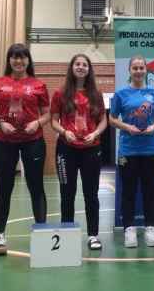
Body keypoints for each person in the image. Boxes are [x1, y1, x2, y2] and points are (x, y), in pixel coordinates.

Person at [0, 43, 49, 255]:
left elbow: (48, 114)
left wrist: (37, 123)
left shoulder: (39, 85)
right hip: (4, 142)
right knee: (4, 189)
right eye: (14, 57)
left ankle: (41, 233)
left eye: (22, 57)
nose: (18, 61)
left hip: (33, 141)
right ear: (9, 60)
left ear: (28, 60)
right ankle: (0, 235)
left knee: (36, 187)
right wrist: (1, 124)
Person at [50, 54, 107, 250]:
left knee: (91, 194)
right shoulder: (60, 93)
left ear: (89, 69)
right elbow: (53, 121)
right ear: (71, 67)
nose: (81, 67)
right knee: (67, 193)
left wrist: (96, 133)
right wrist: (65, 132)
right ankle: (67, 233)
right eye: (77, 64)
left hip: (91, 149)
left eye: (84, 64)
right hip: (66, 150)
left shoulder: (96, 94)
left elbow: (103, 120)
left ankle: (93, 235)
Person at [109, 55, 154, 248]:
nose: (139, 71)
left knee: (149, 191)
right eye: (135, 68)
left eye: (141, 68)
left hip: (150, 149)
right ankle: (129, 229)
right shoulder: (121, 94)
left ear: (146, 70)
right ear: (130, 71)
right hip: (128, 151)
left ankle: (150, 228)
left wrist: (153, 127)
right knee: (128, 192)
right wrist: (127, 127)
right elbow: (112, 119)